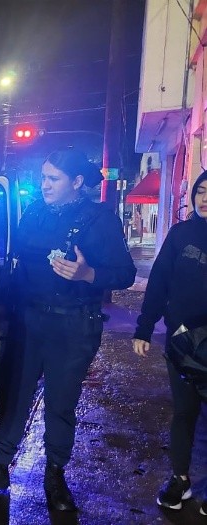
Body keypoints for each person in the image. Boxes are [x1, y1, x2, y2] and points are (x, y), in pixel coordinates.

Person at [0, 149, 137, 511]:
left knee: (60, 404)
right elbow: (16, 263)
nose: (45, 185)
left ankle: (55, 474)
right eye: (43, 177)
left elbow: (125, 273)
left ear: (77, 182)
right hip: (28, 320)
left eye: (53, 178)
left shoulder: (99, 219)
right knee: (14, 397)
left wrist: (88, 274)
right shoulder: (34, 212)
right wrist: (1, 306)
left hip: (73, 325)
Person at [132, 170, 207, 513]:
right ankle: (180, 479)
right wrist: (144, 328)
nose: (204, 198)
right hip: (182, 342)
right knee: (184, 412)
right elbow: (159, 282)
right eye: (201, 191)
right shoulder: (180, 234)